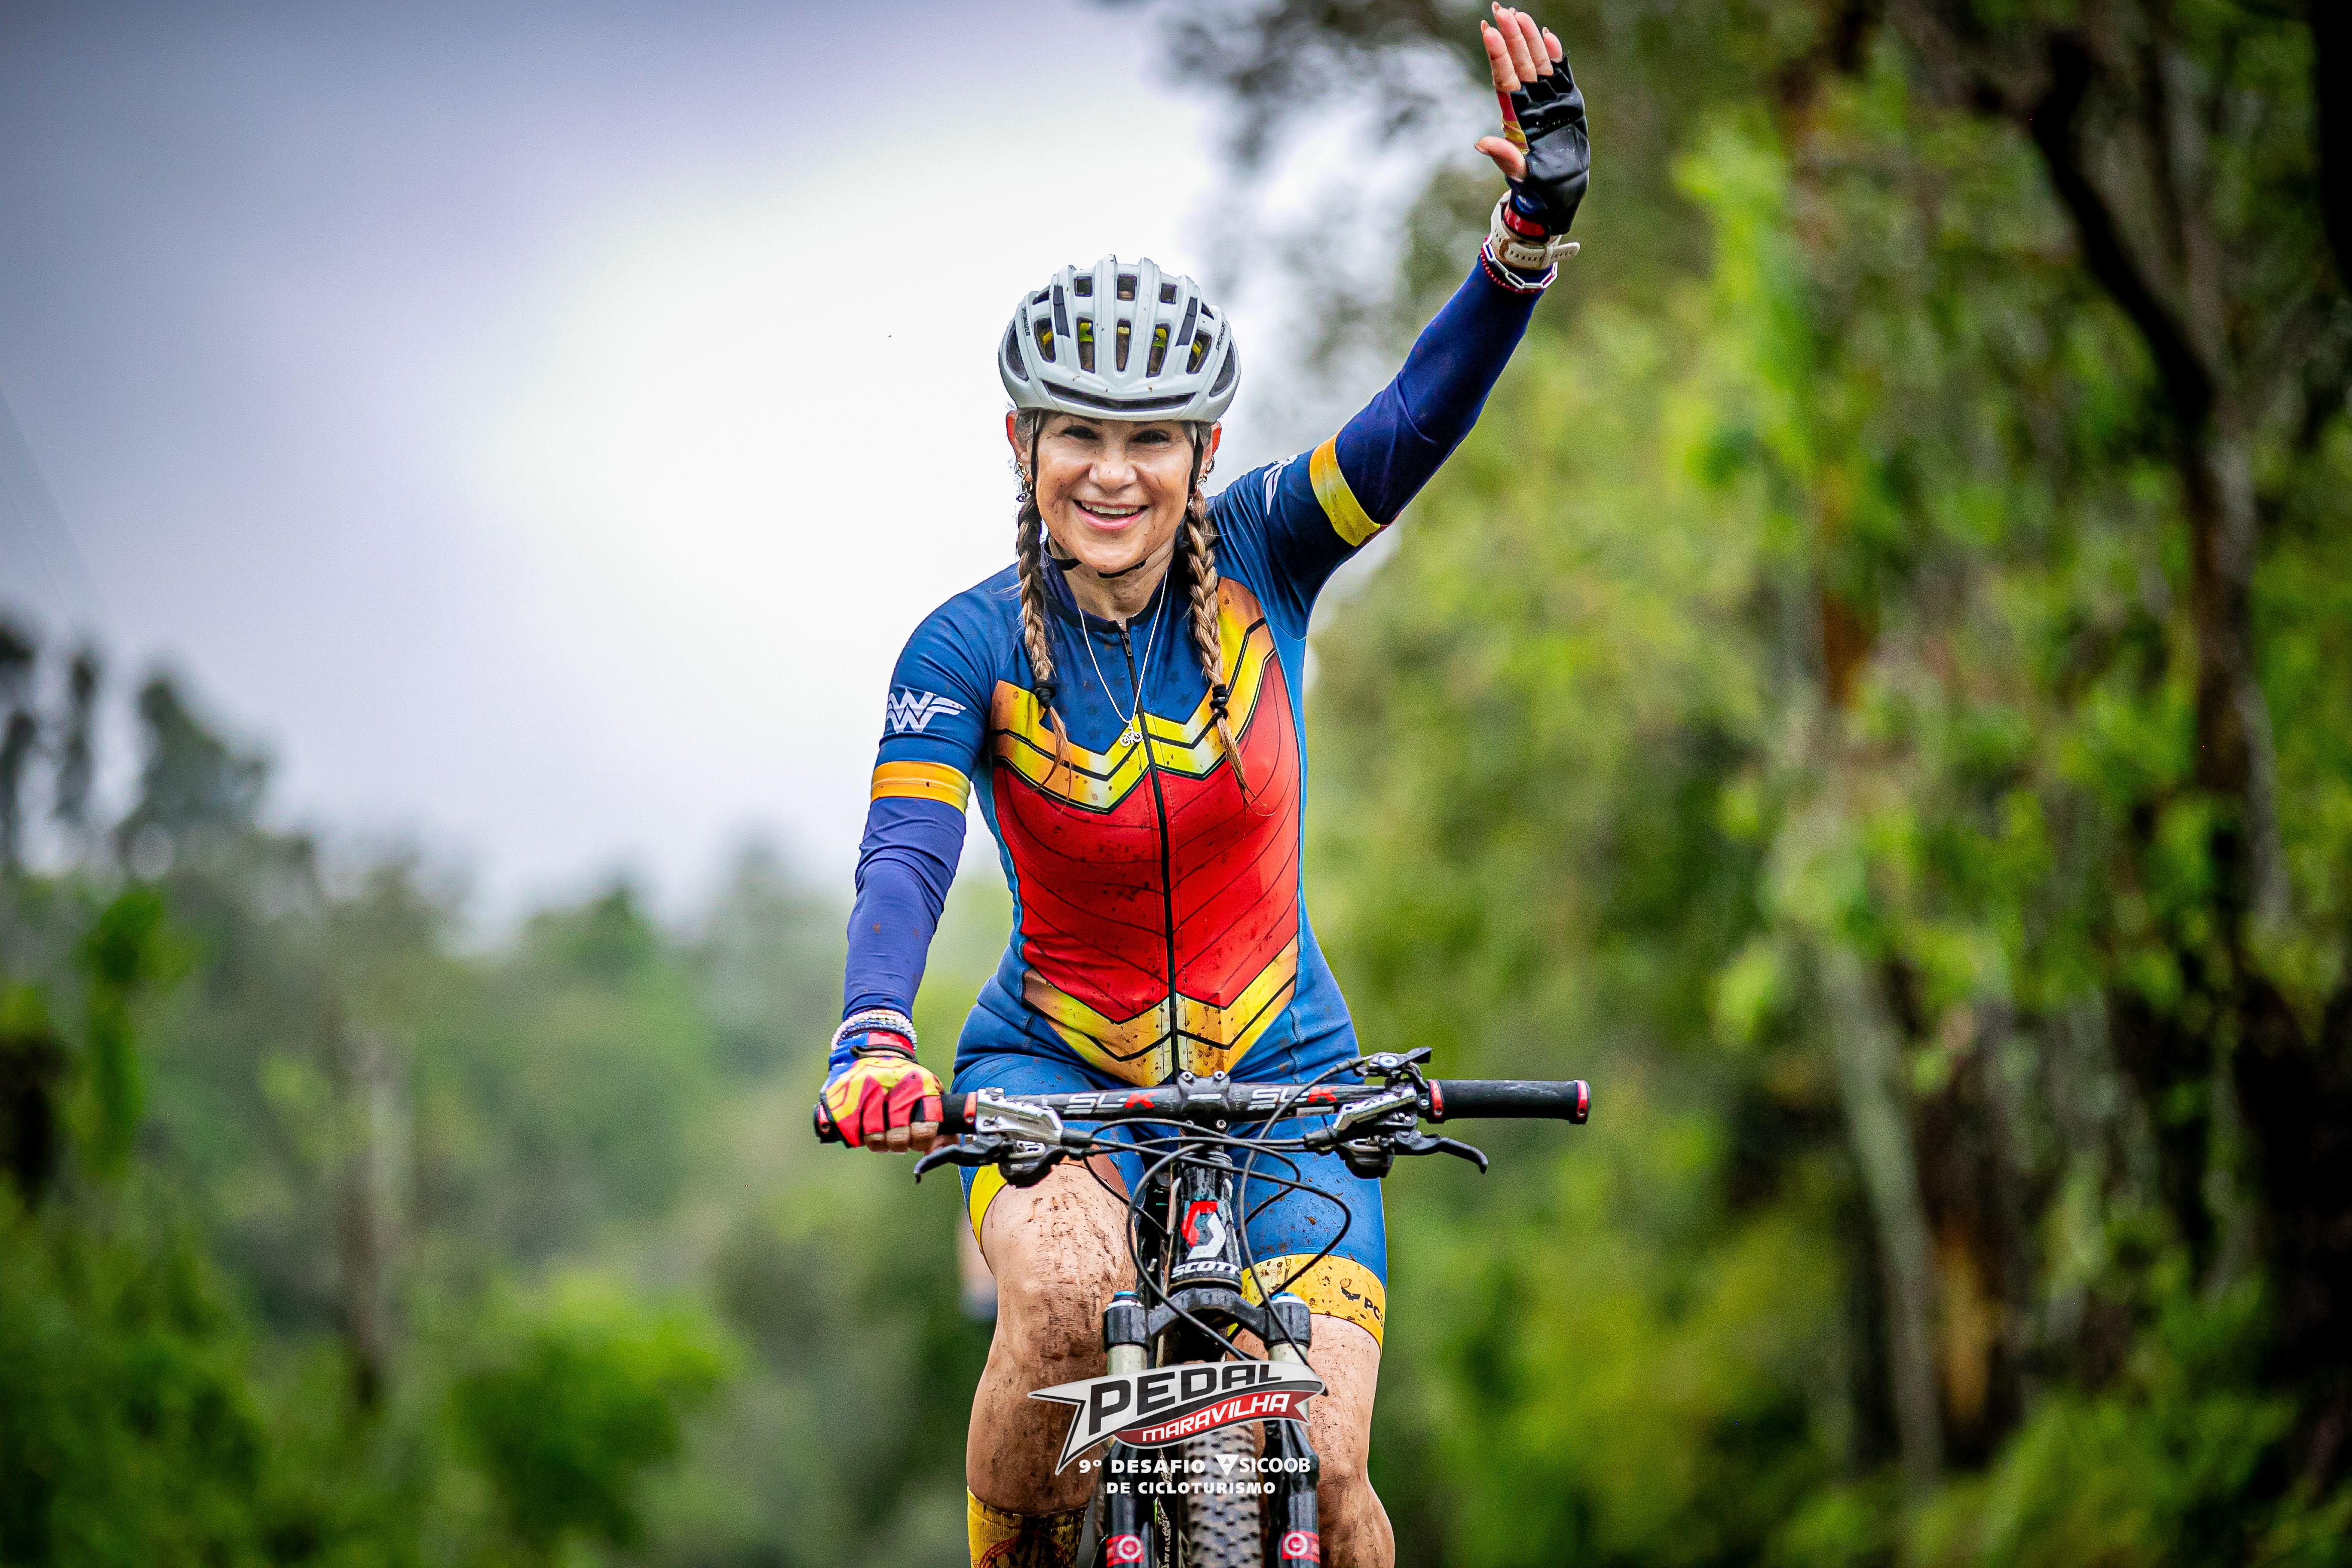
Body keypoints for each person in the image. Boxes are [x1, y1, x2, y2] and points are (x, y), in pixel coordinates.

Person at [817, 10, 1588, 1565]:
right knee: (1054, 1315)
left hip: (1287, 1066)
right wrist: (874, 1033)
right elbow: (905, 858)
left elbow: (1413, 420)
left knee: (1336, 1475)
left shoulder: (1269, 554)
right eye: (1077, 436)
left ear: (1203, 445)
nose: (1113, 473)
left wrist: (1526, 237)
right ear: (1023, 442)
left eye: (1150, 439)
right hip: (1056, 1077)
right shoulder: (963, 649)